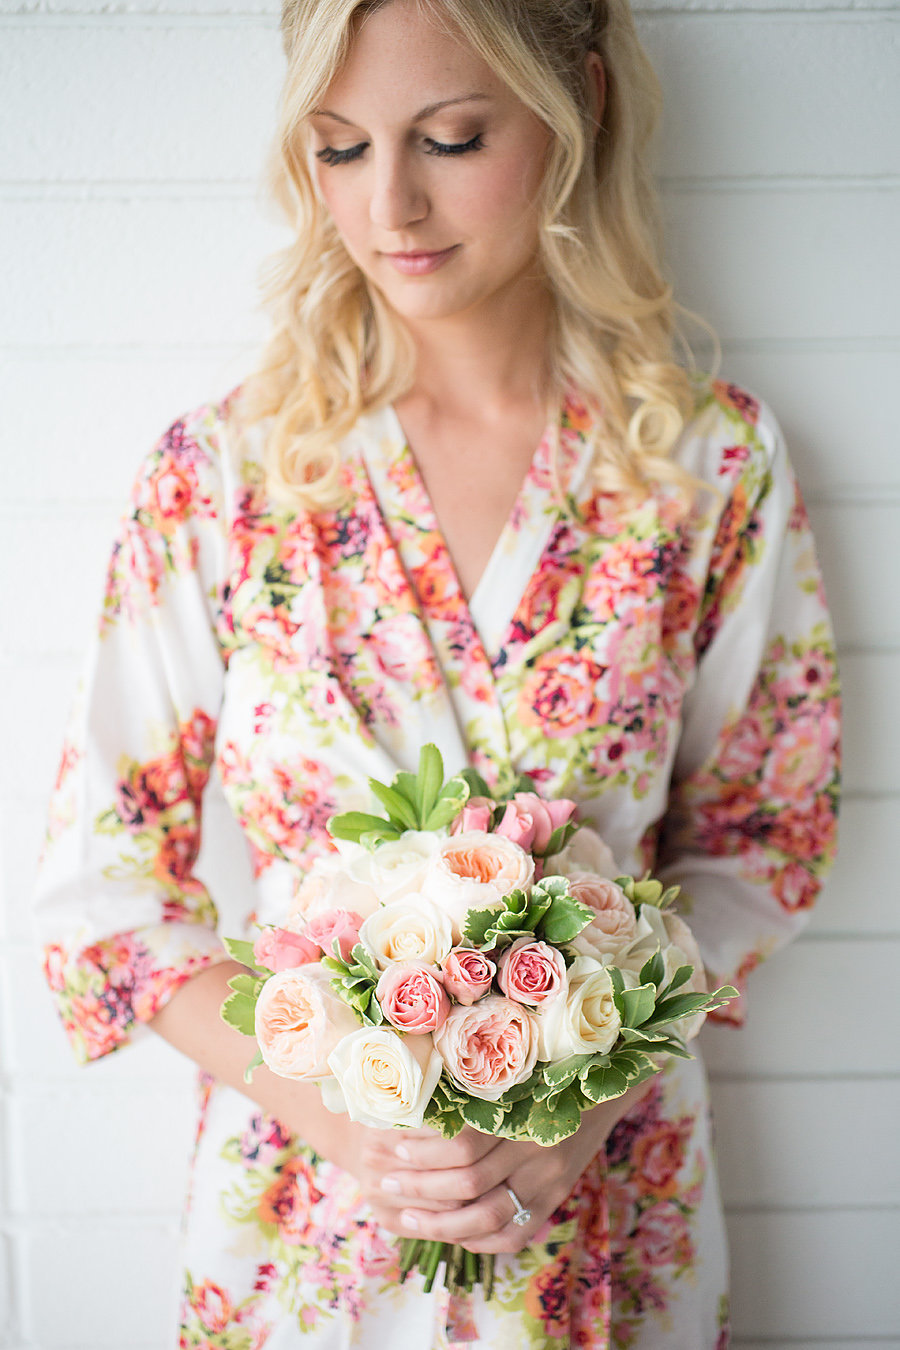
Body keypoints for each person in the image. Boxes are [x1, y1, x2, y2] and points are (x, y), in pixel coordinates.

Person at [33, 0, 841, 1346]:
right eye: (340, 149)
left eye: (451, 138)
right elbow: (108, 897)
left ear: (575, 104)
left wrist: (581, 1103)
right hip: (303, 1227)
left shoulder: (707, 468)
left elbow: (763, 842)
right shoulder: (225, 478)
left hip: (611, 1205)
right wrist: (343, 1116)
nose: (390, 202)